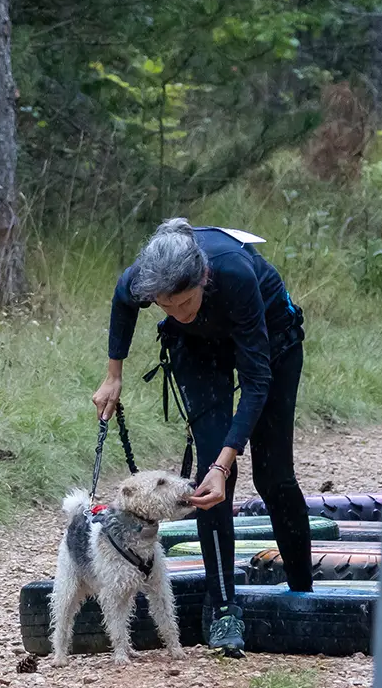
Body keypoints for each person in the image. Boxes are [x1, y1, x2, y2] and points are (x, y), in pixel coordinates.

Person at [93, 218, 312, 658]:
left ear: (203, 279)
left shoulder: (233, 272)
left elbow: (256, 381)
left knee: (273, 477)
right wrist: (113, 374)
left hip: (271, 342)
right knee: (210, 484)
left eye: (185, 302)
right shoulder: (147, 279)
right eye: (166, 307)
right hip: (199, 349)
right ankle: (224, 608)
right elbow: (122, 296)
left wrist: (224, 463)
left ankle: (304, 590)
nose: (177, 312)